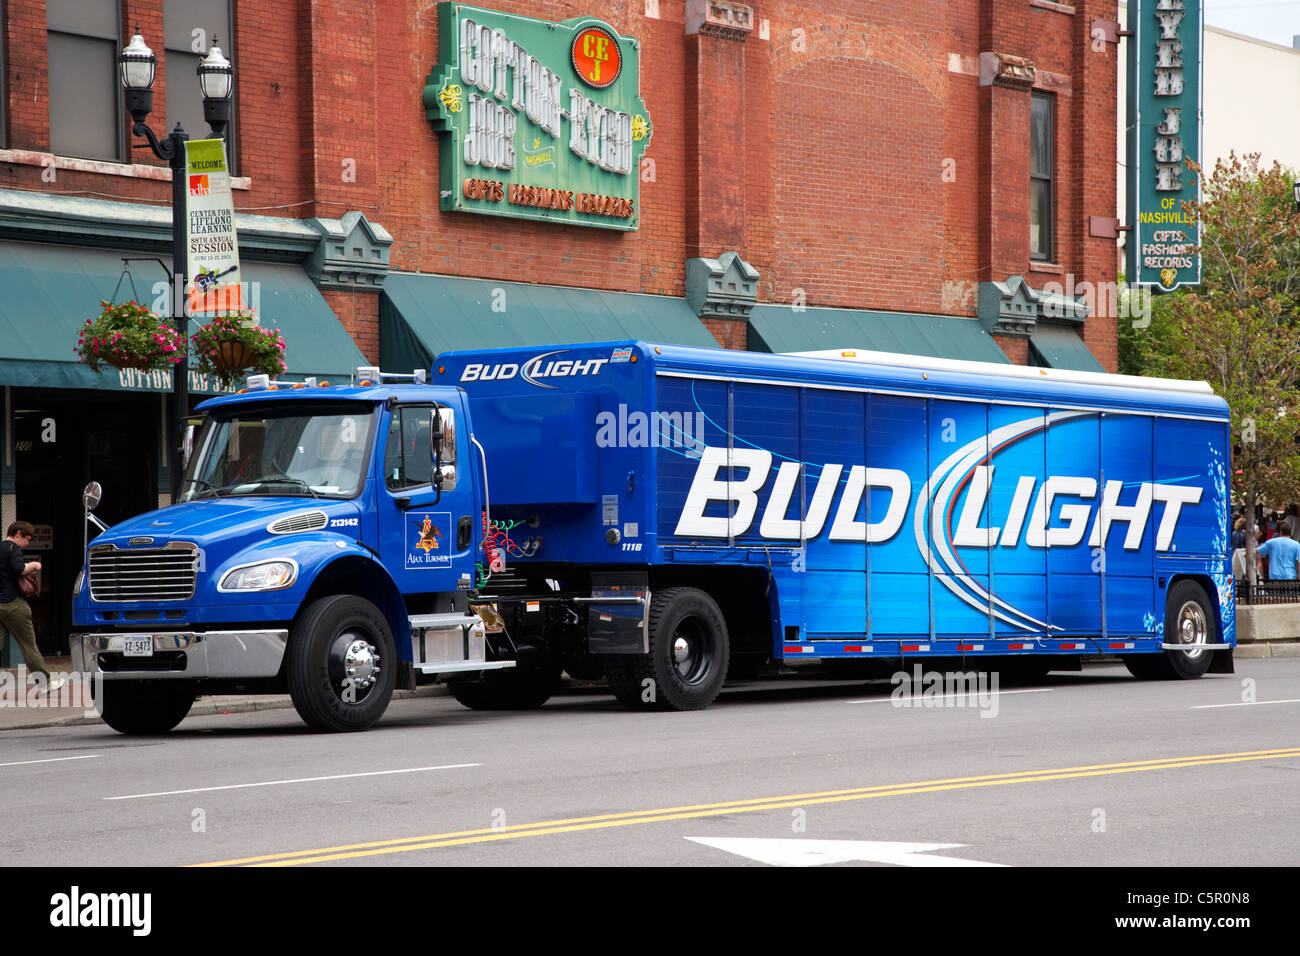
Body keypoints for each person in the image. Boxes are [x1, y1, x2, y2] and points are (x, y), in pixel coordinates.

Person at [0, 520, 65, 692]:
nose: (28, 543)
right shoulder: (14, 549)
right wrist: (34, 565)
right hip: (14, 605)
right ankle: (45, 684)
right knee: (29, 646)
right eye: (27, 539)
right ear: (18, 534)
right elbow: (19, 568)